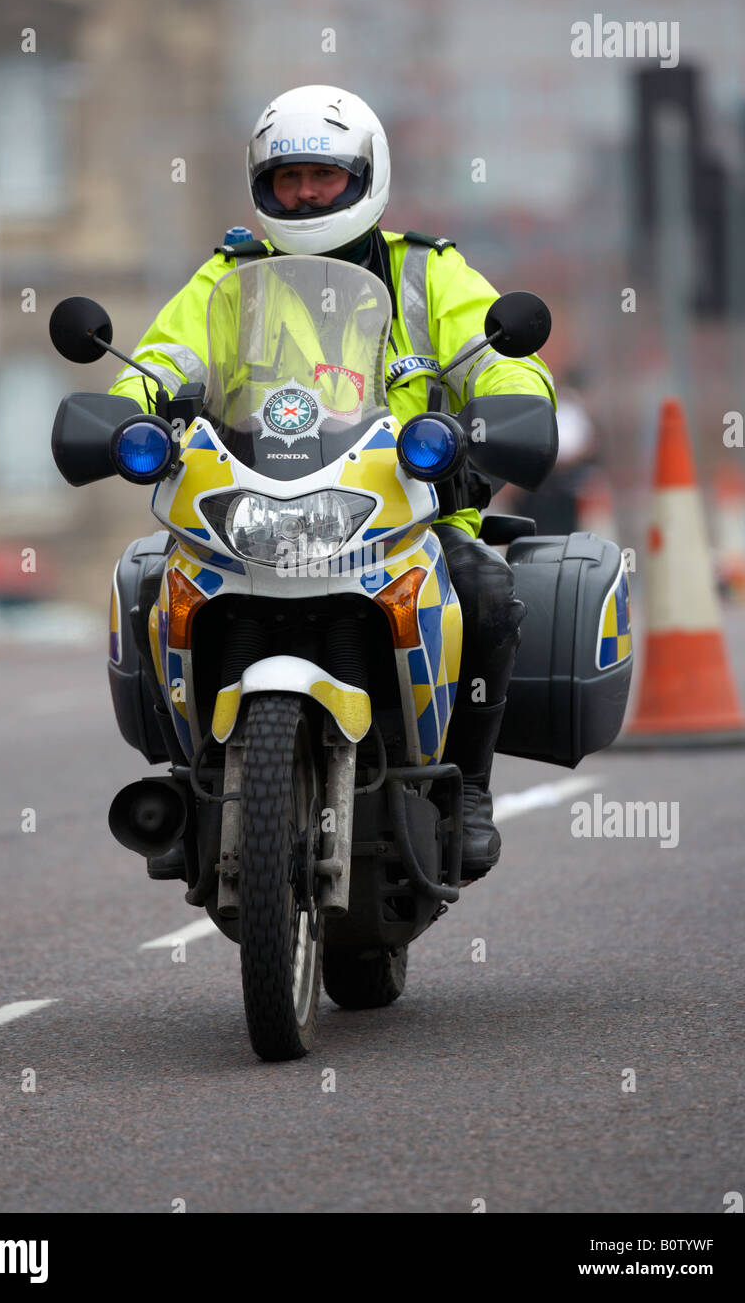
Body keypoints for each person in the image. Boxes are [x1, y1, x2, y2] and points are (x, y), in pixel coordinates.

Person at [109, 85, 557, 883]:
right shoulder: (227, 278)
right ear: (262, 186)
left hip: (404, 516)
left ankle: (468, 791)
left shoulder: (427, 272)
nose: (307, 192)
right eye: (288, 178)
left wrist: (502, 413)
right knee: (148, 584)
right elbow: (161, 362)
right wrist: (126, 414)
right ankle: (186, 778)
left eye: (324, 174)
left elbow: (504, 358)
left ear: (364, 177)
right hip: (251, 510)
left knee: (486, 589)